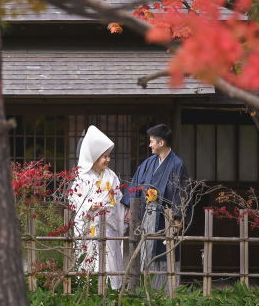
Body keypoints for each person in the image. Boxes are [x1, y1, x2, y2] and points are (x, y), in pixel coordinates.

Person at [120, 124, 190, 291]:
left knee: (164, 254)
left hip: (165, 219)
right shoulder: (147, 163)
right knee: (143, 251)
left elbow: (183, 192)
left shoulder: (177, 165)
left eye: (151, 142)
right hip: (146, 216)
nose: (149, 145)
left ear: (162, 143)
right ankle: (144, 290)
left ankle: (165, 292)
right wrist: (130, 207)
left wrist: (178, 218)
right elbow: (136, 185)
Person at [68, 125, 127, 290]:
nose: (108, 159)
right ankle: (88, 292)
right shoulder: (82, 177)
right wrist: (88, 206)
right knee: (90, 261)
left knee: (110, 260)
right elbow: (73, 200)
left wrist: (124, 215)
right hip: (90, 229)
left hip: (108, 228)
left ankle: (112, 291)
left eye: (108, 156)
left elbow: (117, 200)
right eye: (104, 156)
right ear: (94, 157)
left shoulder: (111, 176)